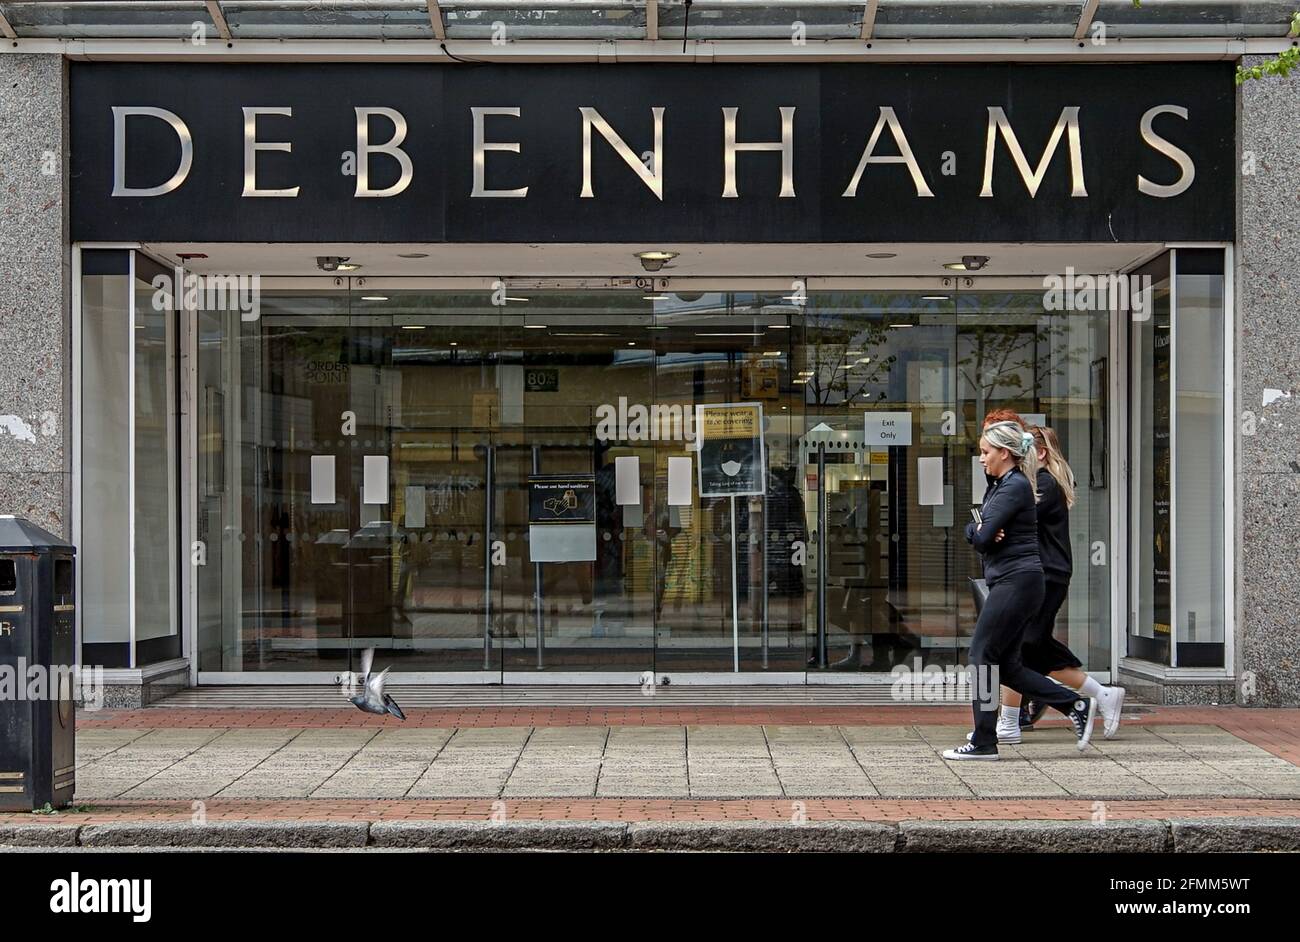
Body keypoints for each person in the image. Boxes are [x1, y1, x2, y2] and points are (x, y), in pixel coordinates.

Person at [943, 420, 1096, 760]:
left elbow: (982, 538)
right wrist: (980, 528)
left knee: (981, 655)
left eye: (985, 452)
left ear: (1004, 453)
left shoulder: (1014, 487)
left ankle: (984, 741)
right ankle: (1075, 704)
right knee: (1008, 665)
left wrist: (982, 530)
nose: (981, 458)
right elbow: (977, 527)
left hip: (1017, 582)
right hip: (1012, 581)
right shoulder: (1001, 484)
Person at [995, 426, 1125, 741]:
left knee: (1019, 646)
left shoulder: (1044, 484)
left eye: (1021, 451)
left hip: (1045, 574)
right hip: (1042, 573)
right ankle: (1101, 695)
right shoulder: (1037, 484)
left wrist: (993, 526)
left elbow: (1013, 519)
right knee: (1030, 647)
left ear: (1040, 454)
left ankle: (1010, 722)